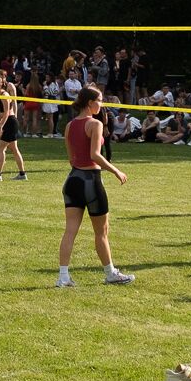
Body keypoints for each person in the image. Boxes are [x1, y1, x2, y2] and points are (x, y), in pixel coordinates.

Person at [56, 85, 134, 287]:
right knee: (101, 232)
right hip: (90, 181)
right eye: (99, 100)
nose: (102, 104)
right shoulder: (95, 124)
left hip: (72, 180)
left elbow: (71, 158)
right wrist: (116, 171)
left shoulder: (70, 125)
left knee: (70, 231)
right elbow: (94, 155)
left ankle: (63, 276)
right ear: (90, 103)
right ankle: (110, 273)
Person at [0, 74, 26, 182]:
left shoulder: (5, 95)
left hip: (10, 122)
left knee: (1, 148)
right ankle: (22, 174)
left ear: (0, 85)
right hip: (8, 122)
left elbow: (6, 113)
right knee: (14, 149)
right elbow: (0, 113)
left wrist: (0, 126)